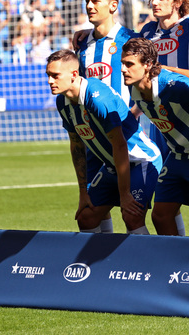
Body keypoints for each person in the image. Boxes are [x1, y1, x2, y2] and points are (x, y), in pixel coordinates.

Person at [122, 37, 189, 237]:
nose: (123, 69)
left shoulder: (173, 85)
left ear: (148, 65)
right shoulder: (132, 86)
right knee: (160, 215)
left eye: (129, 64)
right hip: (178, 154)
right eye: (123, 63)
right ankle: (175, 265)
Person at [47, 49, 162, 234]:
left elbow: (120, 144)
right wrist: (83, 193)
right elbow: (76, 146)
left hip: (141, 161)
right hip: (112, 165)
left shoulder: (97, 98)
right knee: (86, 216)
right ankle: (100, 263)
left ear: (74, 74)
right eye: (48, 75)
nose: (50, 81)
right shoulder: (63, 102)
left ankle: (148, 263)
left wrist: (124, 195)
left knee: (132, 215)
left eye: (55, 76)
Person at [137, 0, 189, 236]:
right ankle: (177, 258)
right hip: (160, 124)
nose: (155, 2)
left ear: (177, 1)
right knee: (167, 199)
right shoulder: (146, 32)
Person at [76, 0, 139, 233]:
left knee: (133, 212)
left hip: (126, 137)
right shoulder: (82, 45)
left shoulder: (131, 40)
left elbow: (145, 83)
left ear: (113, 5)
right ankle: (97, 271)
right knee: (93, 211)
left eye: (95, 1)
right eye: (87, 1)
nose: (89, 6)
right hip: (94, 141)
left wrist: (133, 115)